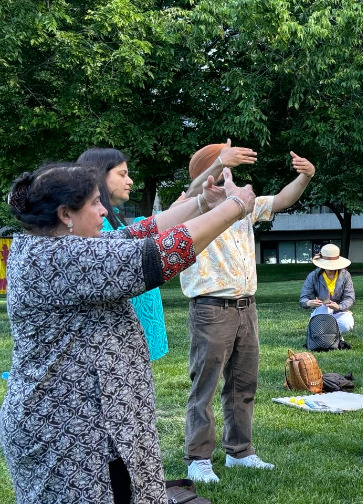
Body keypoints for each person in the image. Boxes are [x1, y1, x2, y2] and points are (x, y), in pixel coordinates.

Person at [1, 162, 255, 504]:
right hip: (67, 429)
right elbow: (158, 255)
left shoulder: (54, 245)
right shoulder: (58, 257)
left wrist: (202, 204)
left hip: (94, 423)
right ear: (65, 214)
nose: (104, 210)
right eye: (94, 202)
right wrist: (235, 206)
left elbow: (136, 234)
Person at [180, 142, 315, 484]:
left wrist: (305, 177)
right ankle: (198, 458)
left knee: (243, 384)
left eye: (228, 170)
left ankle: (240, 452)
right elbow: (195, 189)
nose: (228, 175)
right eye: (223, 169)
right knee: (205, 387)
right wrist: (216, 165)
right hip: (211, 309)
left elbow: (282, 200)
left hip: (246, 308)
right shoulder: (190, 208)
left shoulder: (242, 206)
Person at [76, 147, 169, 360]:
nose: (130, 181)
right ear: (99, 175)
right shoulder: (95, 230)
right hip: (111, 346)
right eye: (122, 173)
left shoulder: (112, 222)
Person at [299, 243, 355, 334]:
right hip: (321, 311)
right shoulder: (313, 276)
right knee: (320, 323)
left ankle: (327, 335)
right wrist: (308, 303)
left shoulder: (345, 275)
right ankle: (327, 335)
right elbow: (303, 298)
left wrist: (339, 307)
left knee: (346, 325)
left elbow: (350, 298)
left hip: (340, 312)